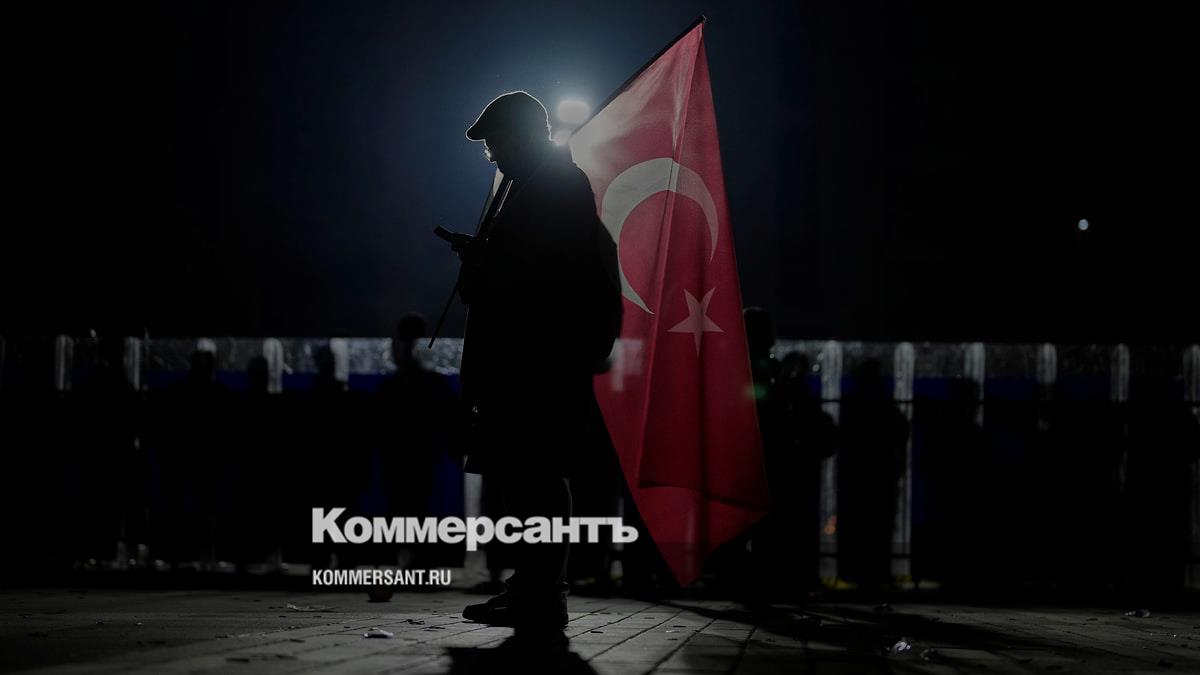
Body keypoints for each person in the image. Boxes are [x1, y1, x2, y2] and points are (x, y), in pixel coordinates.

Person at [448, 91, 622, 628]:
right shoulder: (537, 186)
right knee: (521, 475)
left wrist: (485, 260)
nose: (494, 155)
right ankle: (533, 585)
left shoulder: (556, 187)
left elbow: (546, 277)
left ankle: (543, 592)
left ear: (524, 136)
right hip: (522, 361)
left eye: (497, 143)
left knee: (536, 475)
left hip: (537, 363)